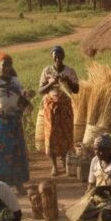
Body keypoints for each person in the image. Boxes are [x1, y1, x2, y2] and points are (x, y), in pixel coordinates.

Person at [0, 52, 31, 192]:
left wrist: (22, 109)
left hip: (15, 121)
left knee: (17, 151)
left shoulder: (16, 82)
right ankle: (2, 187)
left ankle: (18, 184)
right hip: (0, 123)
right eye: (3, 65)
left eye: (9, 65)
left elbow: (22, 99)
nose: (7, 68)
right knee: (1, 154)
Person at [68, 134, 111, 221]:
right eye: (97, 150)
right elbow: (91, 183)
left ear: (110, 149)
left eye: (103, 150)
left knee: (108, 209)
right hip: (99, 198)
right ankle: (99, 213)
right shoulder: (94, 161)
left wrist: (104, 188)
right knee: (80, 210)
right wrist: (88, 193)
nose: (100, 153)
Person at [38, 46, 80, 176]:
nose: (58, 58)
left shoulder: (70, 71)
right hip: (51, 106)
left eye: (60, 55)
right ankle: (54, 165)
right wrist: (51, 83)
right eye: (55, 55)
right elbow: (41, 90)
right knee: (51, 134)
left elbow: (76, 90)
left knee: (66, 133)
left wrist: (68, 82)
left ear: (64, 56)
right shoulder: (47, 71)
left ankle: (65, 163)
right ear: (52, 56)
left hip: (65, 106)